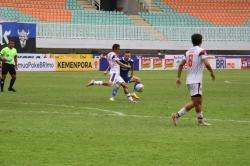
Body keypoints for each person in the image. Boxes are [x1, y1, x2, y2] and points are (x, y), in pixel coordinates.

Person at [172, 34, 215, 126]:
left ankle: (200, 121)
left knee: (199, 101)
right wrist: (211, 72)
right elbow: (206, 64)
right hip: (196, 81)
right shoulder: (201, 51)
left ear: (192, 41)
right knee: (196, 102)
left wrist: (178, 77)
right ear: (201, 41)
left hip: (189, 80)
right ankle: (177, 115)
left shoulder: (187, 52)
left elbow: (180, 65)